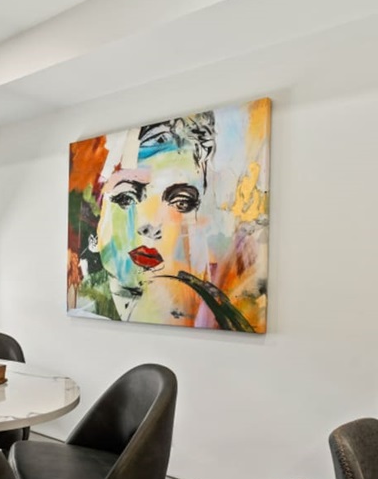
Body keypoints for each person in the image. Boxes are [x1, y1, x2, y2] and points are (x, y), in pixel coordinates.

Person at [70, 111, 255, 331]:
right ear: (94, 222)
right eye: (127, 198)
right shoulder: (82, 310)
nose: (152, 225)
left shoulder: (215, 315)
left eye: (181, 203)